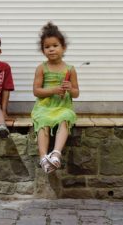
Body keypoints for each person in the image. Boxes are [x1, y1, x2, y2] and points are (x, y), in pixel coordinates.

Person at [32, 22, 79, 174]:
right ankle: (43, 157)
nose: (51, 49)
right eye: (47, 47)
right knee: (43, 121)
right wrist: (53, 90)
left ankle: (56, 153)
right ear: (43, 50)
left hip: (62, 105)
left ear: (63, 47)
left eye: (55, 45)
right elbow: (36, 91)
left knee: (65, 118)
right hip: (45, 106)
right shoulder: (41, 68)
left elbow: (76, 93)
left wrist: (69, 89)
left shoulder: (70, 69)